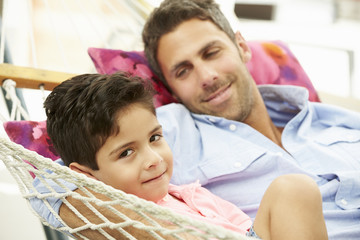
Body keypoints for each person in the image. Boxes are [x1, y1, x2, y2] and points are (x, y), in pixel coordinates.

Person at [32, 0, 360, 239]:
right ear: (170, 87)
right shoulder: (168, 130)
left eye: (211, 52)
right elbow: (51, 185)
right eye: (183, 70)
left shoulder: (335, 120)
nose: (206, 76)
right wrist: (158, 232)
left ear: (242, 47)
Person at [43, 71, 327, 240]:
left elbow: (244, 229)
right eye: (126, 152)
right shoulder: (115, 221)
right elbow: (44, 185)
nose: (154, 158)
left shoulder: (189, 194)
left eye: (155, 138)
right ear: (85, 175)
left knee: (293, 189)